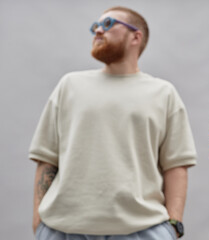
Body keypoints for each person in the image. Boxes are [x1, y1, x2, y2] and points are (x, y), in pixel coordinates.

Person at [29, 6, 196, 240]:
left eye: (107, 24)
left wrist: (173, 225)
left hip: (142, 231)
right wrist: (39, 220)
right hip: (61, 230)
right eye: (95, 26)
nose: (98, 30)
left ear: (136, 36)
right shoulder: (69, 86)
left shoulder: (163, 93)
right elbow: (47, 157)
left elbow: (176, 165)